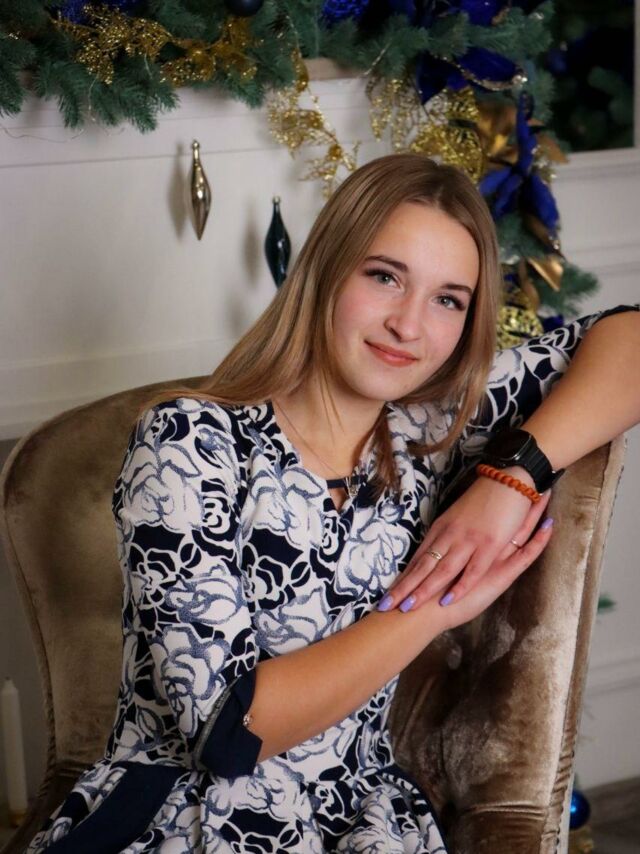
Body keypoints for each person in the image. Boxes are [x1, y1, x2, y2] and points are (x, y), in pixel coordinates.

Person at [27, 153, 639, 853]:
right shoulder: (189, 439)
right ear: (325, 271)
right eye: (385, 277)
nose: (409, 325)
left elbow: (630, 337)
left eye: (448, 299)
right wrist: (432, 611)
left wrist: (513, 474)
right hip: (182, 817)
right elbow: (228, 732)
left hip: (358, 821)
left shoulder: (431, 436)